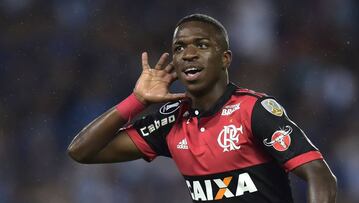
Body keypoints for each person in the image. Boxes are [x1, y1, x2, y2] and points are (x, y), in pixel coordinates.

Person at [67, 14, 337, 202]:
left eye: (202, 45)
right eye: (180, 47)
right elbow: (81, 151)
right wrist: (137, 101)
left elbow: (320, 175)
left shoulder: (253, 110)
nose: (189, 54)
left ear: (225, 59)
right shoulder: (171, 121)